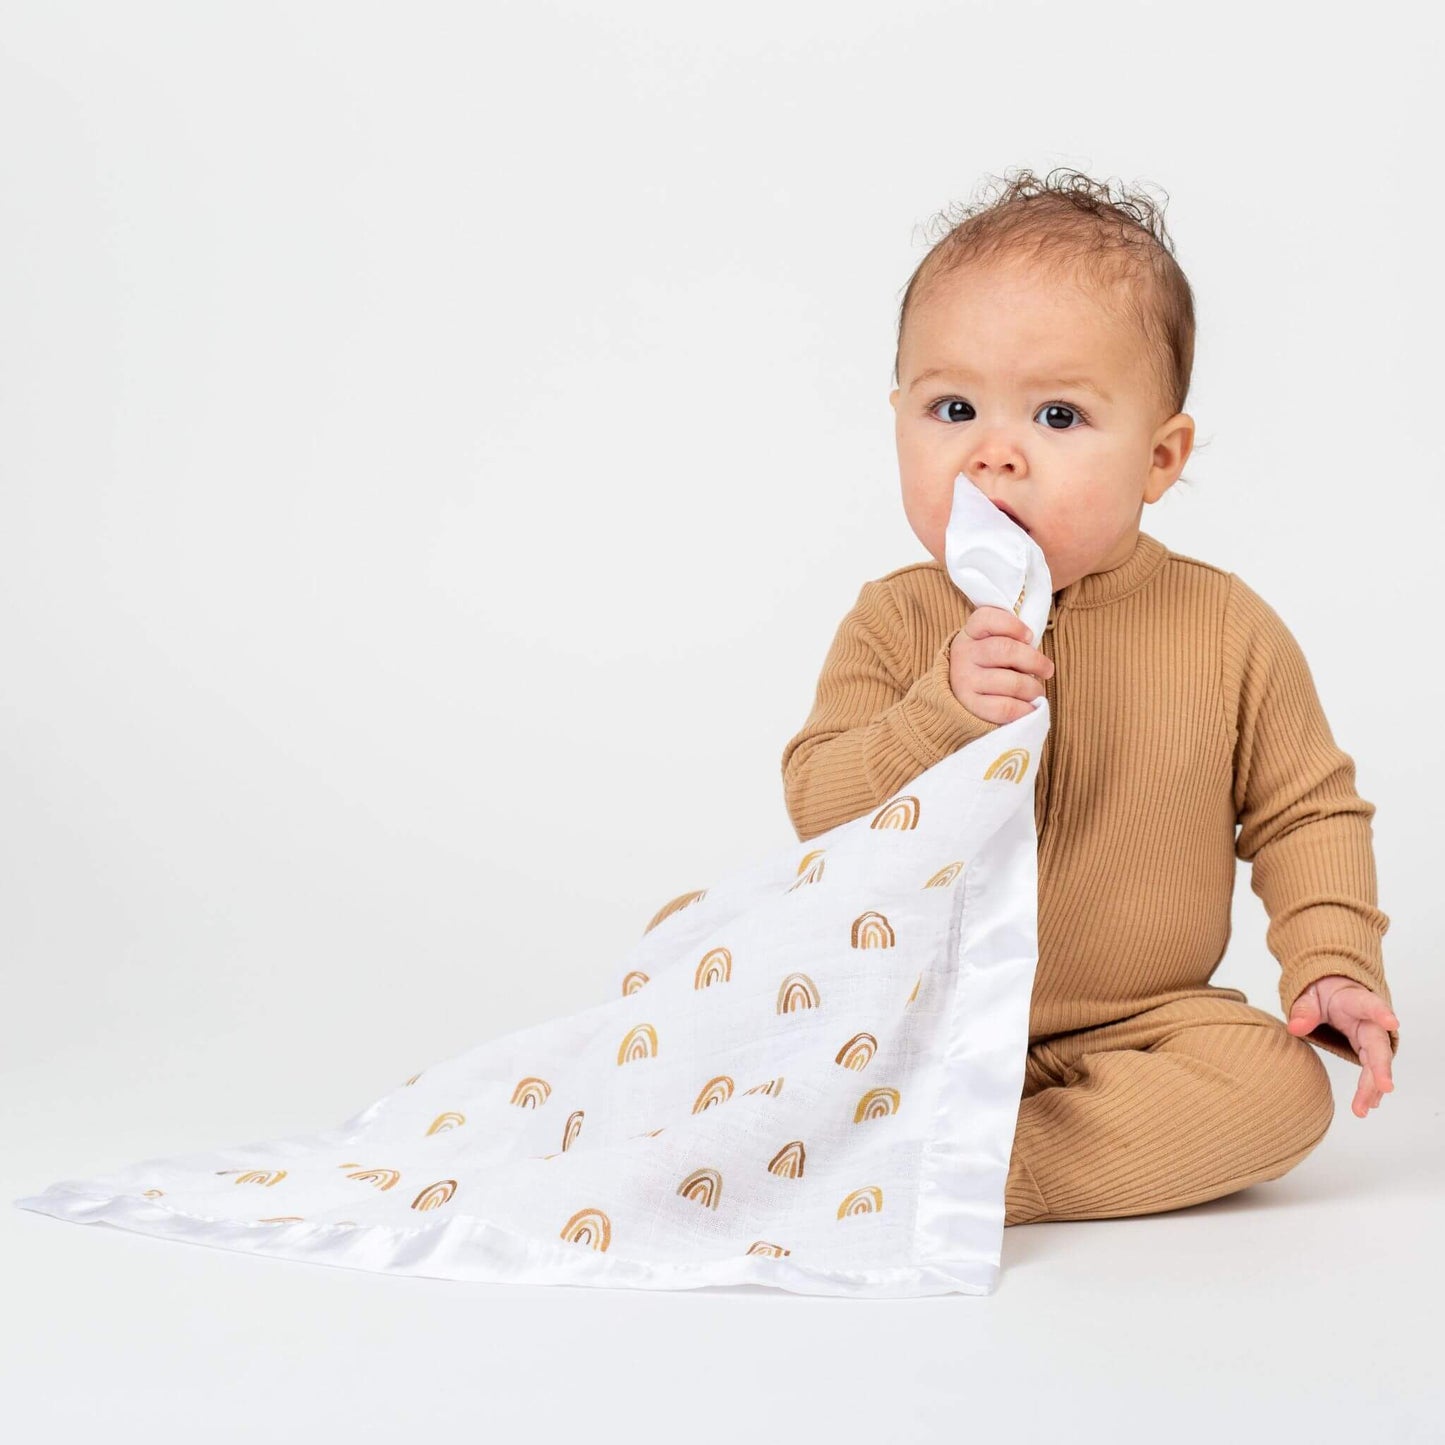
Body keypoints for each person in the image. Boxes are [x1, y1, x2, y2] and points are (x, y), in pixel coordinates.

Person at [780, 168, 1400, 1227]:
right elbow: (821, 805)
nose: (993, 452)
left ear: (1158, 457)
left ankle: (986, 1171)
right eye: (951, 407)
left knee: (1275, 1087)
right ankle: (888, 1124)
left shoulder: (1224, 628)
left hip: (1129, 1021)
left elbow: (1306, 810)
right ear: (896, 420)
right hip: (905, 1005)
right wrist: (939, 709)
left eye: (1057, 414)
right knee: (726, 977)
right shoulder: (894, 621)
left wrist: (1331, 960)